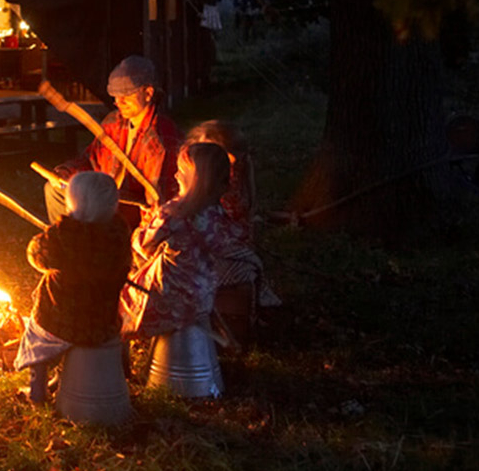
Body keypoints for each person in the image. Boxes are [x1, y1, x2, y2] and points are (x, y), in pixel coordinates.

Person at [15, 172, 132, 403]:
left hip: (62, 323)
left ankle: (37, 390)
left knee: (34, 335)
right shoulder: (119, 232)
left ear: (72, 201)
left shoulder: (63, 234)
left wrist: (42, 240)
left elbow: (36, 258)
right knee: (120, 323)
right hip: (104, 321)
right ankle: (79, 375)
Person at [120, 142, 243, 338]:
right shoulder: (219, 215)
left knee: (120, 297)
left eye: (180, 171)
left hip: (165, 303)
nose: (176, 176)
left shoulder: (172, 214)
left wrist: (144, 226)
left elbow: (142, 245)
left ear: (194, 179)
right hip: (202, 301)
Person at [44, 55, 181, 228]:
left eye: (126, 95)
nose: (118, 102)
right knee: (55, 190)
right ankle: (69, 238)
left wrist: (143, 238)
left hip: (127, 211)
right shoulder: (113, 123)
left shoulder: (160, 139)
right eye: (115, 96)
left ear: (148, 93)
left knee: (92, 207)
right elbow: (90, 160)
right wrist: (65, 173)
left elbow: (157, 202)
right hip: (103, 197)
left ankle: (93, 240)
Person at [183, 121, 280, 311]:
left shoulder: (229, 181)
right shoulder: (191, 170)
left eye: (233, 160)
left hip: (222, 248)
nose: (231, 165)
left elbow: (222, 224)